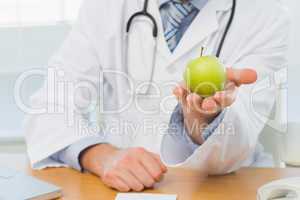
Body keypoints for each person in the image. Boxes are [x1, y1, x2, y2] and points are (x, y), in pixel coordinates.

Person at [24, 0, 290, 192]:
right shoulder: (105, 7)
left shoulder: (266, 14)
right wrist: (101, 155)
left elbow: (238, 140)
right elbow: (49, 108)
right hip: (118, 189)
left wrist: (204, 120)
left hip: (224, 189)